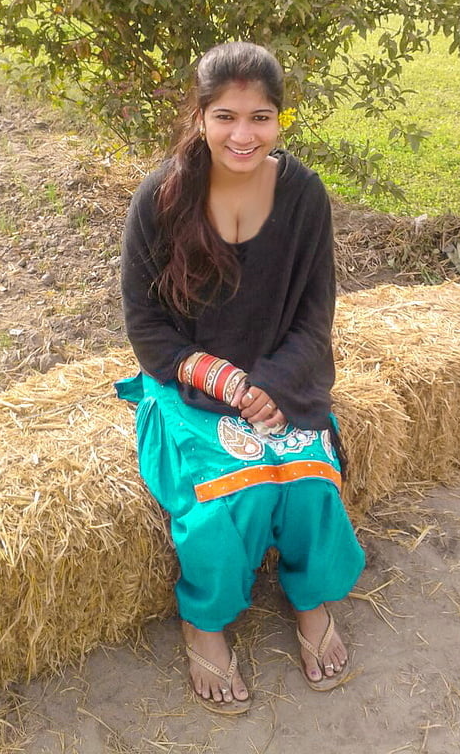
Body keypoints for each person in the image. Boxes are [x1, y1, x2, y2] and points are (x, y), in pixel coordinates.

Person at [116, 42, 365, 714]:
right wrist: (228, 384)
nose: (243, 135)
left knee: (310, 488)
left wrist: (271, 385)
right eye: (225, 116)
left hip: (284, 380)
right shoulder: (162, 197)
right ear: (200, 117)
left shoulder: (304, 195)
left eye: (260, 117)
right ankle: (204, 620)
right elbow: (146, 327)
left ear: (280, 119)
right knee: (230, 502)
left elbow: (314, 316)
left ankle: (311, 600)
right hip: (188, 386)